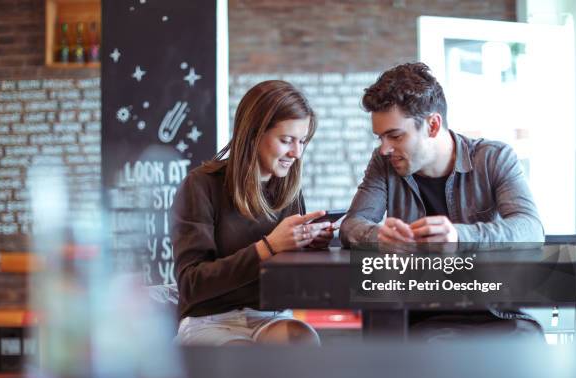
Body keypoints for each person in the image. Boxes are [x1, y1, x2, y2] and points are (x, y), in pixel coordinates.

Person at [340, 62, 545, 341]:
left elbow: (531, 229)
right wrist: (378, 237)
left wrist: (459, 236)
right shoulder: (384, 163)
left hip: (502, 314)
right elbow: (351, 224)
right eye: (380, 137)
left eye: (395, 136)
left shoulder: (493, 158)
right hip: (423, 316)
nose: (385, 148)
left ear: (433, 125)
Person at [172, 80, 333, 346]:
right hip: (210, 320)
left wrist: (308, 246)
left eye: (302, 141)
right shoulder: (201, 185)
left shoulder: (289, 189)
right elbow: (191, 284)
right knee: (244, 360)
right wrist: (268, 247)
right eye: (286, 140)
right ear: (254, 134)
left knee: (302, 340)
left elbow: (293, 282)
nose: (296, 153)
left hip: (272, 317)